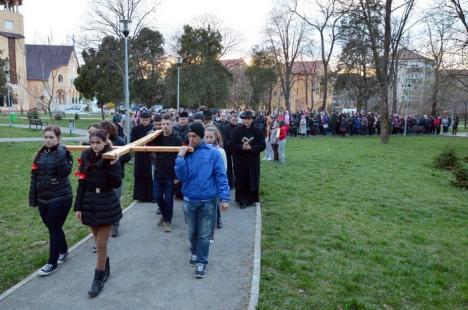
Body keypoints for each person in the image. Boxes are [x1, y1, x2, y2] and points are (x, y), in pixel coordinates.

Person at [175, 122, 230, 278]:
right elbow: (180, 176)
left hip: (208, 200)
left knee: (205, 234)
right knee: (192, 233)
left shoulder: (213, 153)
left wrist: (224, 198)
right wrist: (180, 157)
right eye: (189, 136)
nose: (191, 139)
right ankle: (194, 252)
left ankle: (201, 262)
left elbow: (221, 176)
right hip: (189, 199)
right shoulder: (186, 152)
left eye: (195, 136)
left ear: (201, 137)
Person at [74, 129, 122, 298]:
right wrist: (78, 207)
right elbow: (81, 183)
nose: (94, 146)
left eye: (98, 142)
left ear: (105, 142)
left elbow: (116, 183)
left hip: (106, 202)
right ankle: (106, 268)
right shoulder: (86, 156)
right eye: (92, 142)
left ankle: (98, 278)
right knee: (97, 240)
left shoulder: (112, 155)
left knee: (100, 245)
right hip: (89, 202)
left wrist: (114, 164)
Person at [29, 126, 73, 276]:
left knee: (54, 228)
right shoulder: (39, 154)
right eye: (46, 137)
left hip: (61, 196)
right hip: (43, 198)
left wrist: (60, 154)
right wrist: (33, 198)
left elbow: (65, 172)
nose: (47, 140)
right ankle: (64, 250)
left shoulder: (65, 153)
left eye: (51, 137)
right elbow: (34, 178)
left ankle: (52, 263)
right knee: (54, 227)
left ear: (58, 139)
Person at [150, 113, 182, 232]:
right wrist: (149, 137)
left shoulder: (177, 138)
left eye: (167, 124)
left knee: (168, 198)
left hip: (170, 173)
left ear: (172, 124)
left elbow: (180, 158)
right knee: (158, 196)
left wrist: (178, 176)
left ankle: (168, 221)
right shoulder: (157, 136)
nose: (165, 126)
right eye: (163, 124)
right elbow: (147, 146)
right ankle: (164, 215)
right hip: (158, 172)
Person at [99, 121, 131, 237]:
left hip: (116, 176)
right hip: (102, 177)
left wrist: (115, 159)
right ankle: (104, 224)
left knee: (115, 201)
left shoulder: (120, 141)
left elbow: (127, 156)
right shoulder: (99, 141)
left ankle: (115, 226)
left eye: (106, 133)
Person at [231, 111, 266, 208]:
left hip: (252, 160)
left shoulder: (258, 131)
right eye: (245, 118)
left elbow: (262, 145)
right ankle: (242, 200)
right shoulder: (236, 131)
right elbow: (232, 144)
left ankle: (251, 199)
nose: (247, 120)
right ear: (242, 119)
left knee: (252, 178)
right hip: (240, 160)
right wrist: (242, 147)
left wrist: (252, 148)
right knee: (241, 179)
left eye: (249, 118)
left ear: (252, 119)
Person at [204, 125, 227, 235]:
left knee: (216, 202)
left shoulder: (220, 151)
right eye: (206, 137)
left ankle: (217, 220)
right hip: (206, 181)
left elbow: (224, 168)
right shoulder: (202, 150)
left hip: (215, 181)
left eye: (210, 137)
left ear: (216, 138)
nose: (208, 140)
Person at [131, 110, 153, 202]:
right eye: (143, 120)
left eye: (146, 120)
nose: (145, 122)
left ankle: (151, 196)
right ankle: (140, 196)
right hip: (140, 155)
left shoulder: (152, 128)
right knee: (140, 175)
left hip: (150, 155)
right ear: (139, 119)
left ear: (149, 120)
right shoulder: (135, 129)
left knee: (150, 176)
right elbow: (132, 140)